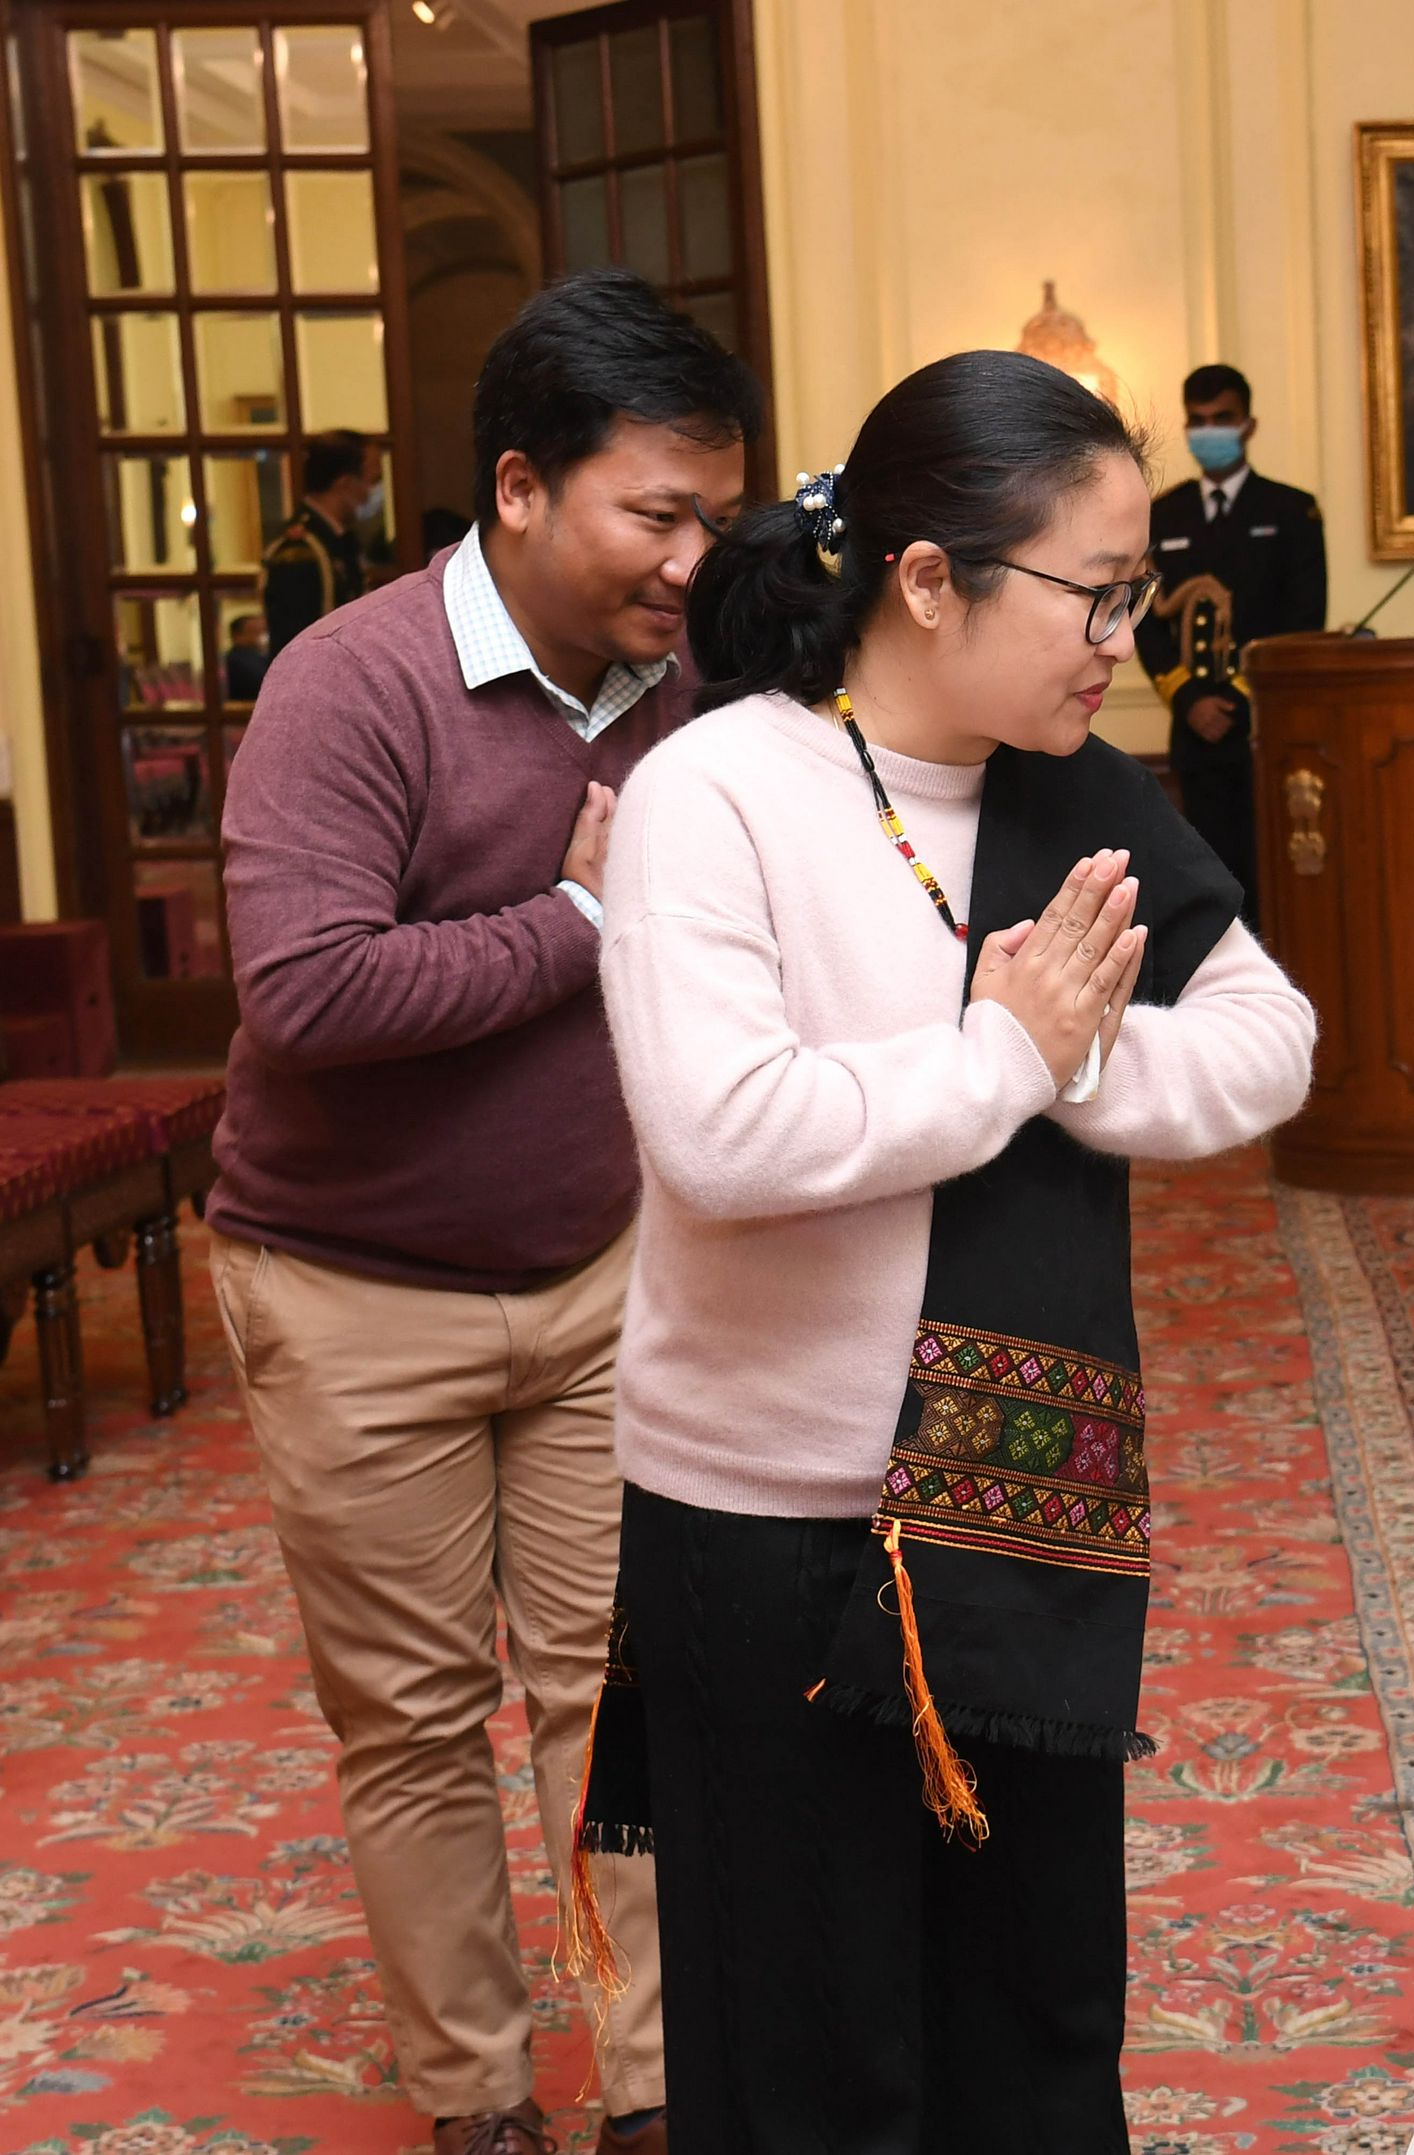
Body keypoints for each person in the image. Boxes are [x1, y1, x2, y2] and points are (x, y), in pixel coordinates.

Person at [583, 349, 1315, 2147]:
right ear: (927, 578)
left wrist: (1070, 1064)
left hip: (1016, 1512)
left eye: (1136, 596)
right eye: (1095, 594)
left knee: (1030, 2025)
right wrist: (999, 1057)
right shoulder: (721, 788)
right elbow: (722, 1131)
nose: (1122, 642)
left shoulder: (1076, 795)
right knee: (804, 2052)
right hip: (768, 1521)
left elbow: (1269, 1041)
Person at [211, 269, 762, 2155]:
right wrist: (581, 917)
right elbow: (309, 991)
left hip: (600, 1272)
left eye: (717, 519)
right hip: (351, 1291)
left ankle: (657, 2086)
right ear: (520, 487)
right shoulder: (348, 682)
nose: (693, 562)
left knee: (624, 1700)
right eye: (657, 514)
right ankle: (473, 2096)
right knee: (419, 1719)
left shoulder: (686, 689)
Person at [1131, 362, 1327, 922]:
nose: (1209, 431)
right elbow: (1143, 616)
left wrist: (1237, 697)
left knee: (1276, 881)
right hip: (1194, 728)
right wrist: (1189, 698)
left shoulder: (1290, 512)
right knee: (1210, 880)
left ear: (1248, 425)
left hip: (1264, 725)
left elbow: (1303, 619)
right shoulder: (1164, 515)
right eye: (1198, 421)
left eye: (1222, 418)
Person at [262, 428, 382, 647]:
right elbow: (298, 643)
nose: (375, 491)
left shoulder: (338, 540)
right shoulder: (302, 549)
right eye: (373, 481)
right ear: (345, 483)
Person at [221, 612, 269, 705]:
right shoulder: (235, 660)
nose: (262, 635)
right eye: (255, 631)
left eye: (264, 630)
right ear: (237, 635)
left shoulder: (260, 656)